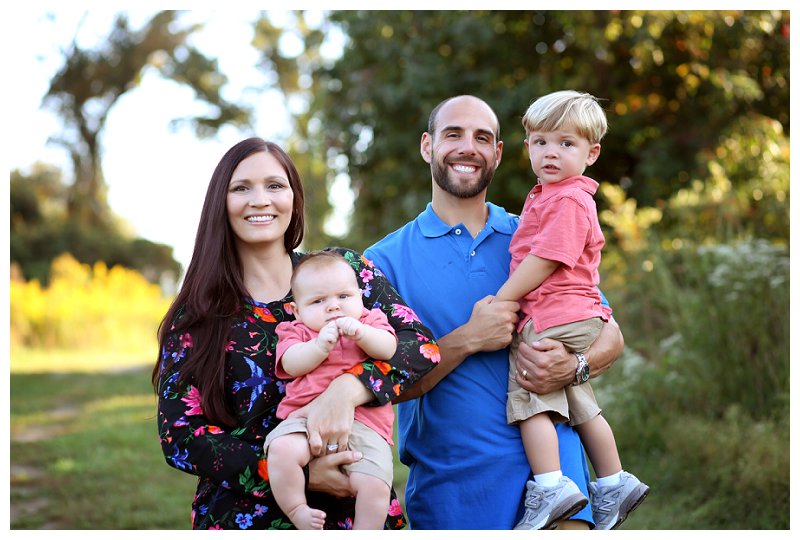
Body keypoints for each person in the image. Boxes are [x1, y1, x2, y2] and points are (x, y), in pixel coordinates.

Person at [152, 137, 439, 530]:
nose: (260, 200)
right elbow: (180, 437)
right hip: (245, 517)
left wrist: (350, 389)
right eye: (241, 188)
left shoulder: (341, 272)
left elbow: (419, 347)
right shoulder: (199, 313)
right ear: (221, 201)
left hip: (358, 510)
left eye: (274, 185)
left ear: (294, 197)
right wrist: (288, 472)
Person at [365, 95, 625, 530]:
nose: (468, 147)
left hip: (560, 490)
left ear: (499, 153)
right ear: (428, 146)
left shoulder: (539, 230)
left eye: (482, 138)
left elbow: (609, 334)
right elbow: (384, 384)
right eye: (453, 135)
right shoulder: (381, 261)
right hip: (453, 494)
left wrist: (573, 366)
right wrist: (469, 338)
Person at [493, 90, 648, 530]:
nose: (551, 153)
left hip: (555, 318)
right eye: (540, 142)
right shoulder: (549, 196)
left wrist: (504, 299)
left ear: (591, 152)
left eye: (566, 143)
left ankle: (549, 485)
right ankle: (614, 480)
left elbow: (546, 259)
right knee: (583, 406)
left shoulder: (567, 199)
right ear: (526, 147)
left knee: (530, 398)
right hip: (577, 316)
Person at [263, 250, 398, 530]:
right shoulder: (296, 331)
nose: (333, 307)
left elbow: (389, 349)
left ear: (360, 297)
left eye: (343, 297)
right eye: (318, 301)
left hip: (366, 423)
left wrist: (362, 334)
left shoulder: (370, 321)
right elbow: (291, 362)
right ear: (297, 310)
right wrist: (319, 346)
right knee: (281, 450)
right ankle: (297, 508)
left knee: (375, 483)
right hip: (302, 419)